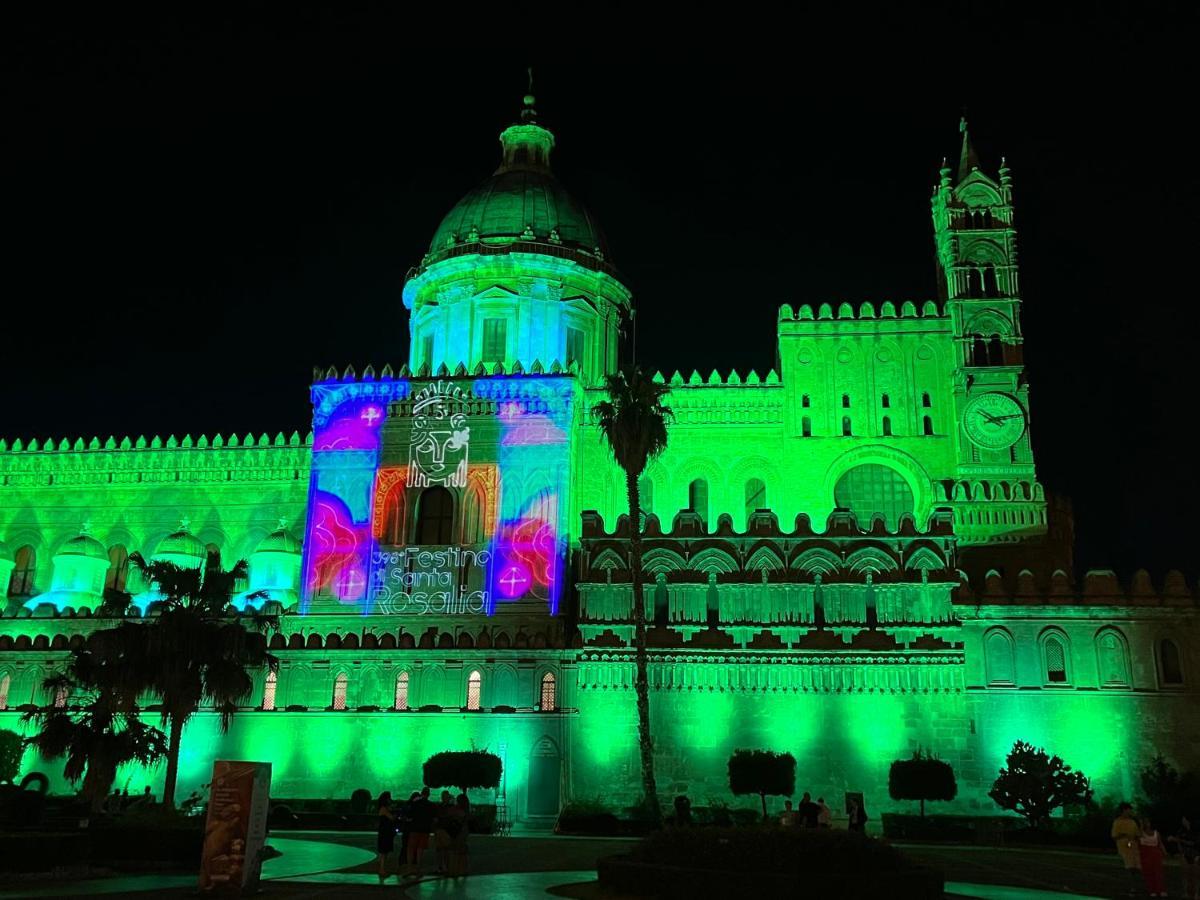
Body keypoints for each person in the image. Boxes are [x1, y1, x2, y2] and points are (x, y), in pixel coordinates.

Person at [1111, 802, 1142, 894]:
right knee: (1129, 868)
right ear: (1124, 810)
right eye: (1128, 810)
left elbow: (1137, 834)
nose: (1130, 812)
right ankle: (1132, 886)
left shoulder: (1132, 822)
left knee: (1136, 867)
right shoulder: (1117, 822)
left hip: (1133, 846)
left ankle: (1134, 885)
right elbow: (1114, 836)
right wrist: (1124, 835)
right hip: (1124, 847)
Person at [406, 787, 435, 876]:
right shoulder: (430, 805)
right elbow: (433, 818)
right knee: (420, 850)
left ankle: (409, 868)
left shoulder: (415, 803)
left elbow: (409, 814)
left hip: (414, 828)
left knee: (411, 849)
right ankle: (418, 869)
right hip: (425, 830)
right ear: (428, 794)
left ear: (421, 793)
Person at [1169, 816, 1199, 900]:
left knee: (1195, 875)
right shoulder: (1181, 831)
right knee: (1185, 875)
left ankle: (1196, 893)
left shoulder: (1195, 831)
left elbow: (1193, 843)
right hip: (1184, 854)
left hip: (1195, 855)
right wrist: (1180, 849)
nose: (1183, 821)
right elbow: (1178, 841)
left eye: (1184, 820)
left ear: (1188, 821)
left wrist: (1178, 840)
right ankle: (1185, 892)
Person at [1139, 817, 1167, 897]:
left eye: (1148, 822)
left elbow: (1160, 843)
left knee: (1158, 872)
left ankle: (1161, 889)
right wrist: (1141, 824)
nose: (1147, 824)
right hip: (1146, 854)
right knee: (1148, 872)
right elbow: (1139, 835)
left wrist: (1164, 851)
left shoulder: (1156, 833)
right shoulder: (1141, 833)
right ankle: (1152, 890)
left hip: (1156, 854)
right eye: (1145, 822)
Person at [448, 793, 470, 877]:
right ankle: (464, 870)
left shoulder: (457, 810)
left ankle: (455, 871)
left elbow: (449, 813)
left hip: (458, 831)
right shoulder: (466, 809)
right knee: (463, 851)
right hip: (464, 831)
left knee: (455, 851)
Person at [375, 792, 396, 884]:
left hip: (385, 832)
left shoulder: (383, 808)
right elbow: (391, 817)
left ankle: (382, 868)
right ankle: (381, 869)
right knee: (384, 852)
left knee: (384, 852)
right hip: (385, 832)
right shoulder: (384, 809)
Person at [433, 790, 454, 875]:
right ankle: (443, 867)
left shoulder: (441, 807)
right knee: (442, 849)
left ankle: (442, 867)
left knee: (443, 849)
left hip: (442, 829)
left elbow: (437, 818)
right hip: (442, 829)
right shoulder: (449, 807)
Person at [397, 791, 419, 869]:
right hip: (411, 828)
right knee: (409, 845)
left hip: (408, 828)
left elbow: (401, 816)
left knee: (406, 845)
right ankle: (410, 861)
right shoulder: (413, 806)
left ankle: (404, 861)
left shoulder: (407, 805)